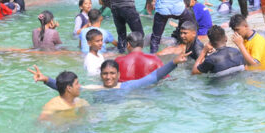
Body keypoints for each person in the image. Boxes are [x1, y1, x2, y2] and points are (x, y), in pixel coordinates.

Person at [30, 49, 189, 93]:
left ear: (119, 75)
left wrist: (174, 62)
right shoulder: (94, 88)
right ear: (100, 75)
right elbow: (67, 89)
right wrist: (46, 80)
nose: (108, 77)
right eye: (105, 74)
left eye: (112, 73)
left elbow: (154, 77)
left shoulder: (127, 86)